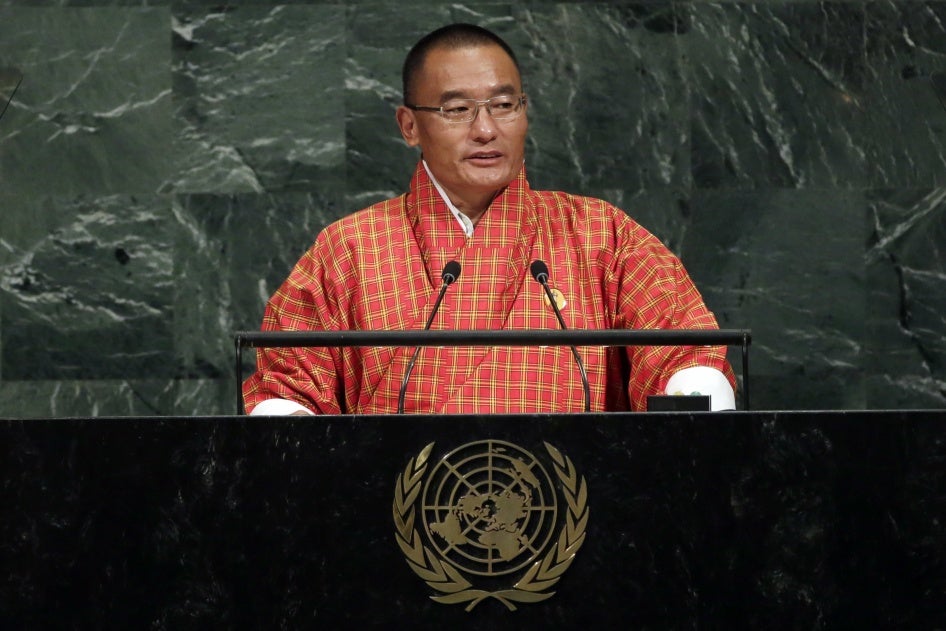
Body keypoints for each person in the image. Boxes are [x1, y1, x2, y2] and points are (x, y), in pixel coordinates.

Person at [242, 23, 736, 416]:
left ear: (525, 112)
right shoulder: (348, 249)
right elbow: (287, 386)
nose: (485, 129)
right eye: (458, 109)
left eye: (503, 105)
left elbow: (683, 349)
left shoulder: (602, 234)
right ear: (409, 126)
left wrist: (693, 387)